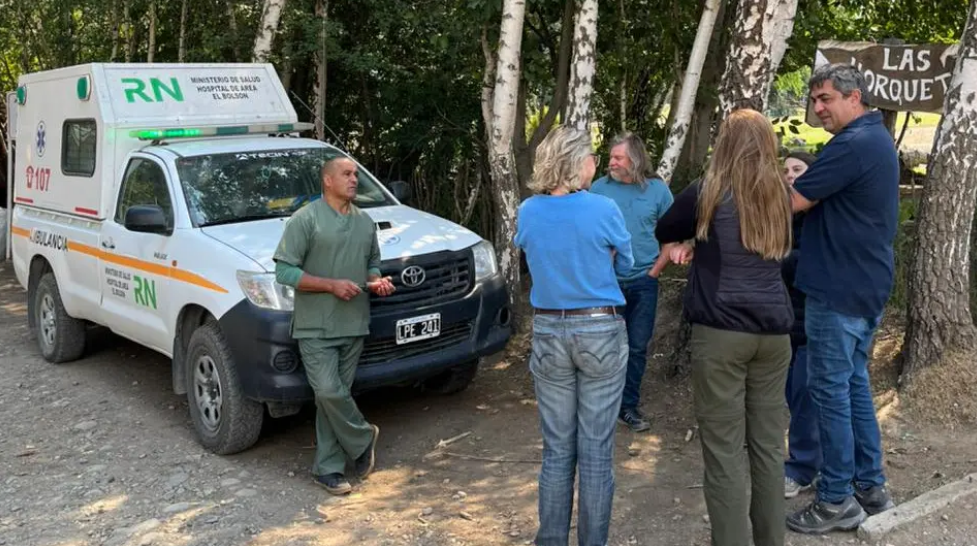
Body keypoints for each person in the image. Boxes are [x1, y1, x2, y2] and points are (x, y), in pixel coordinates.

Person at [652, 108, 794, 546]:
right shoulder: (782, 196)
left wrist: (689, 243)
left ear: (725, 145)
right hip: (774, 335)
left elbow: (665, 227)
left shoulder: (707, 192)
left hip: (722, 334)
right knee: (769, 449)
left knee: (724, 452)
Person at [786, 63, 898, 534]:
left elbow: (794, 200)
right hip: (862, 287)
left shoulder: (852, 144)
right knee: (852, 389)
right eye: (814, 100)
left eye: (825, 99)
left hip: (838, 291)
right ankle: (870, 487)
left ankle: (835, 499)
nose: (817, 108)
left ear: (855, 98)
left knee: (830, 392)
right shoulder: (875, 139)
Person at [514, 125, 634, 546]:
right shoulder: (603, 209)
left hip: (548, 327)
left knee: (557, 449)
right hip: (599, 326)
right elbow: (628, 263)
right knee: (596, 451)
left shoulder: (528, 210)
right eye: (590, 158)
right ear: (576, 163)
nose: (595, 165)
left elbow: (529, 252)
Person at [273, 155, 396, 496]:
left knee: (333, 399)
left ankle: (327, 469)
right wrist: (330, 285)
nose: (354, 179)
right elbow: (284, 272)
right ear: (327, 181)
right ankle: (362, 437)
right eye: (346, 174)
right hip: (315, 326)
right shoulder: (305, 220)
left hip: (354, 322)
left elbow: (372, 262)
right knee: (328, 391)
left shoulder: (364, 221)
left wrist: (376, 281)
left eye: (356, 174)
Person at [590, 132, 674, 433]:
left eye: (618, 157)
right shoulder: (598, 189)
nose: (611, 162)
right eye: (611, 156)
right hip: (604, 285)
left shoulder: (657, 191)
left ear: (635, 160)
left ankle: (628, 406)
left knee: (637, 347)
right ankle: (600, 407)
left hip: (643, 282)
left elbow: (672, 237)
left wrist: (654, 273)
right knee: (602, 347)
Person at [781, 150, 821, 500]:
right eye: (786, 170)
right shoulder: (780, 217)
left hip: (813, 321)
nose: (790, 175)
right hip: (783, 322)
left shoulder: (821, 216)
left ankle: (802, 468)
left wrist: (772, 259)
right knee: (793, 395)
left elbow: (805, 265)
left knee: (805, 395)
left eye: (797, 169)